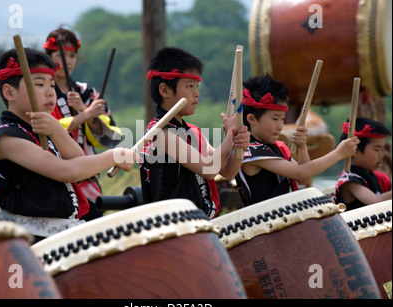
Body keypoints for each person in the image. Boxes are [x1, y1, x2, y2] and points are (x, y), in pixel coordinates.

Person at [0, 47, 136, 241]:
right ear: (9, 92)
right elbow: (68, 171)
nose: (50, 92)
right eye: (39, 84)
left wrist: (56, 130)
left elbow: (79, 160)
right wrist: (114, 156)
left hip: (56, 234)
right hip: (25, 240)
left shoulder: (39, 132)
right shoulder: (7, 139)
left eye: (52, 85)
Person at [139, 47, 250, 219]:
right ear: (165, 90)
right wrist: (229, 135)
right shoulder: (161, 134)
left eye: (196, 86)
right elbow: (210, 168)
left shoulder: (193, 132)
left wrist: (238, 146)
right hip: (174, 228)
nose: (196, 93)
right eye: (190, 86)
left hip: (197, 225)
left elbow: (227, 171)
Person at [235, 74, 359, 207]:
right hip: (266, 223)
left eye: (282, 119)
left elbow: (304, 179)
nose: (280, 125)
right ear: (252, 119)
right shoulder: (250, 150)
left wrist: (302, 147)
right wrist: (339, 153)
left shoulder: (273, 147)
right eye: (275, 118)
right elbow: (301, 172)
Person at [43, 26, 121, 221]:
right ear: (48, 57)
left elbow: (110, 140)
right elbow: (48, 129)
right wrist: (85, 114)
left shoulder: (88, 93)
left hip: (89, 183)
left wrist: (86, 112)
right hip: (55, 181)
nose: (67, 61)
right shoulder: (43, 93)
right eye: (60, 55)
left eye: (72, 56)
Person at [333, 117, 392, 210]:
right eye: (377, 149)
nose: (382, 155)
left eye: (383, 149)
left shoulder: (380, 178)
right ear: (354, 151)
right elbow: (375, 201)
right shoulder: (349, 181)